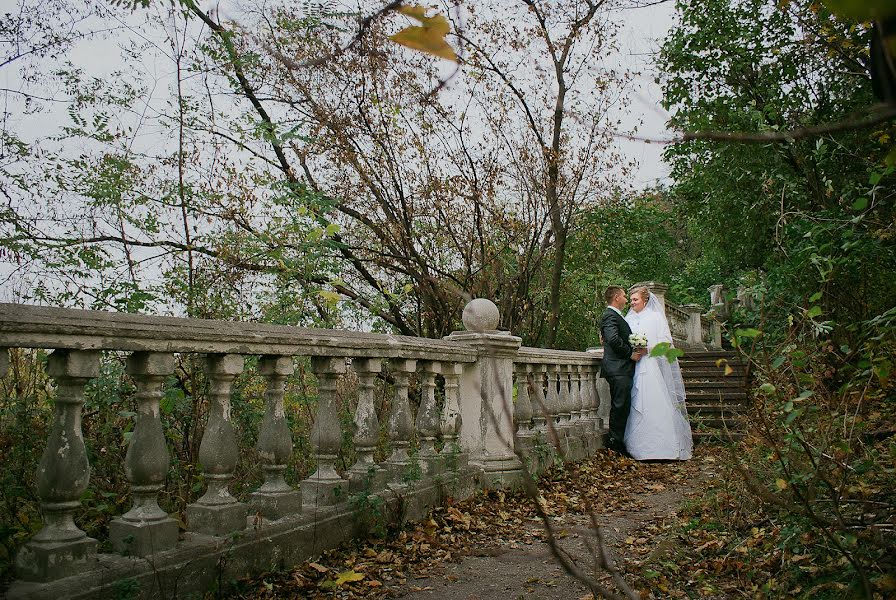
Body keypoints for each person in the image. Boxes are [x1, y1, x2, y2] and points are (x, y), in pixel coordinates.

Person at [623, 287, 693, 460]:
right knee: (635, 402)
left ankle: (661, 448)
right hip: (633, 366)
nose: (632, 303)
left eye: (635, 300)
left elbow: (666, 343)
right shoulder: (628, 319)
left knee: (652, 401)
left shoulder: (655, 317)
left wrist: (649, 349)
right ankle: (638, 447)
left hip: (650, 365)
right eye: (631, 300)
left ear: (645, 301)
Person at [600, 285, 644, 455]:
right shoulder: (610, 315)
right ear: (617, 297)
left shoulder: (614, 316)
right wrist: (630, 354)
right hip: (618, 368)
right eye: (625, 296)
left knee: (622, 405)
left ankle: (617, 442)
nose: (626, 300)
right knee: (619, 406)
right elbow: (612, 339)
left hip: (620, 368)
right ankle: (614, 444)